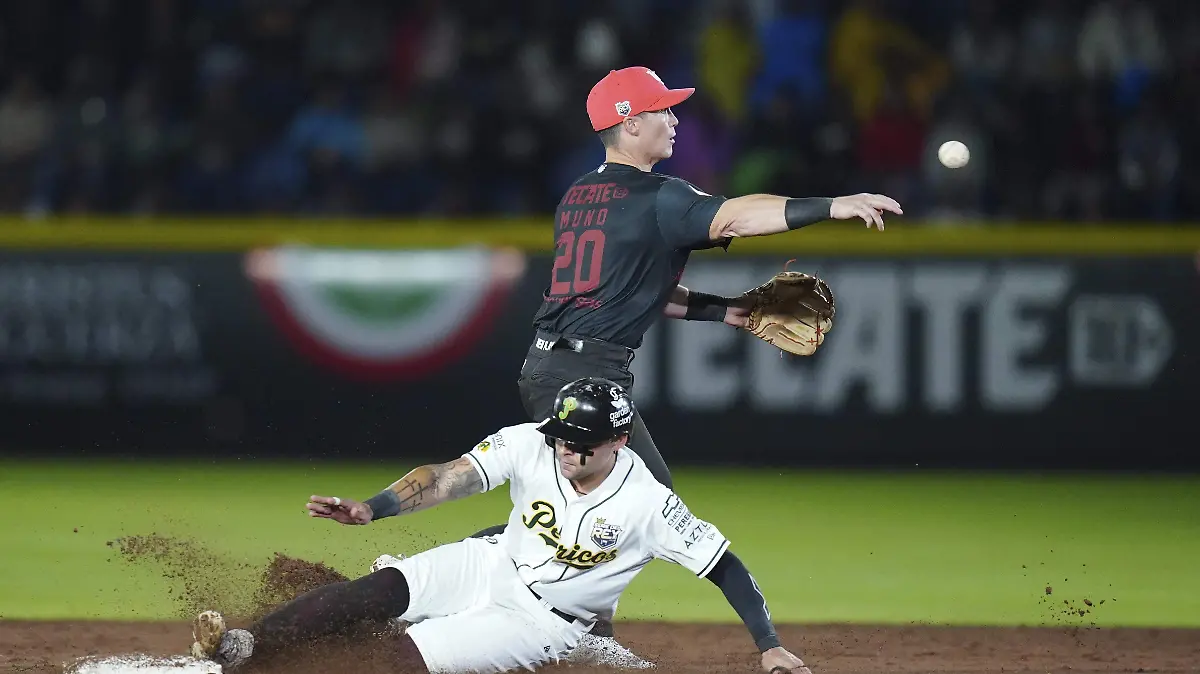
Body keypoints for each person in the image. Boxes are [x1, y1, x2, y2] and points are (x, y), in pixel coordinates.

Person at [464, 65, 903, 636]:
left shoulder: (579, 194)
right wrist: (832, 205)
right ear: (630, 123)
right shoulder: (660, 196)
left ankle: (544, 617)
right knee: (644, 502)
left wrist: (727, 310)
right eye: (662, 110)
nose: (674, 120)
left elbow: (634, 289)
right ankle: (472, 586)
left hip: (555, 364)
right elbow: (737, 216)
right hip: (583, 371)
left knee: (601, 507)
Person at [188, 377, 813, 674]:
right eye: (561, 436)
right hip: (493, 561)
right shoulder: (532, 442)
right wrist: (374, 508)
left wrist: (768, 645)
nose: (565, 450)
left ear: (620, 441)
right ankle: (244, 647)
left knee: (399, 660)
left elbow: (725, 567)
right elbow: (447, 476)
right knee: (376, 592)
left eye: (581, 442)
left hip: (544, 622)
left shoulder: (648, 504)